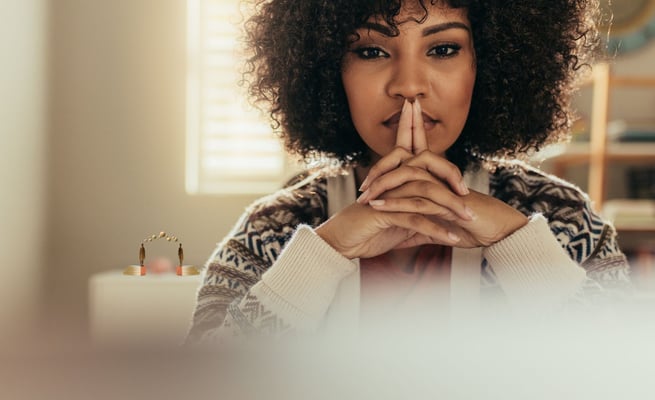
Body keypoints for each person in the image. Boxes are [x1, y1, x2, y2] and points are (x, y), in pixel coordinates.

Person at [186, 0, 631, 343]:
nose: (409, 84)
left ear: (488, 64)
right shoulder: (274, 228)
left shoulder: (560, 217)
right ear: (327, 70)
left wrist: (514, 240)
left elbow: (623, 370)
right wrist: (327, 251)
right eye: (371, 50)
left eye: (443, 49)